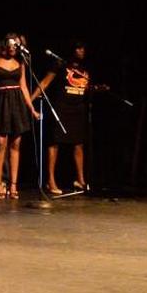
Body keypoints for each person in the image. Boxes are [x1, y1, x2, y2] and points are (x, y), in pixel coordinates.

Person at [32, 42, 92, 195]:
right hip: (61, 108)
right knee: (55, 143)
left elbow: (84, 88)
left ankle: (80, 180)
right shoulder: (60, 65)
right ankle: (50, 180)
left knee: (78, 144)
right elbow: (45, 82)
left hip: (77, 110)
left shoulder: (84, 69)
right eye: (78, 48)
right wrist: (30, 100)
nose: (82, 51)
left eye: (83, 48)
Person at [0, 33, 40, 199]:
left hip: (17, 103)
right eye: (11, 44)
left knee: (16, 144)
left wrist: (32, 109)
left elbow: (23, 87)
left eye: (16, 45)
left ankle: (13, 184)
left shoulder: (21, 62)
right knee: (0, 143)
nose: (13, 47)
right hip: (0, 102)